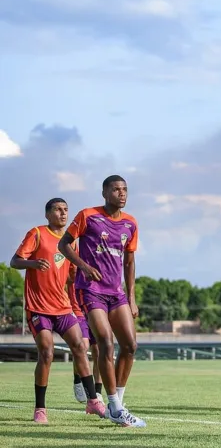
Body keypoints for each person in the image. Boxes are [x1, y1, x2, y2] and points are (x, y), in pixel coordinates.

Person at [58, 175, 146, 427]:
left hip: (116, 293)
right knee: (106, 344)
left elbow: (129, 262)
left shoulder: (131, 223)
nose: (121, 193)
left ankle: (117, 403)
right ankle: (115, 406)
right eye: (116, 189)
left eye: (125, 189)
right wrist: (83, 266)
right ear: (105, 193)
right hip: (90, 290)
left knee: (130, 346)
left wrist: (131, 297)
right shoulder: (88, 216)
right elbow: (65, 245)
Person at [10, 198, 106, 424]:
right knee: (47, 353)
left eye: (65, 210)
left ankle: (92, 401)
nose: (63, 214)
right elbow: (15, 261)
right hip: (38, 307)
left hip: (62, 307)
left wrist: (90, 275)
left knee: (80, 347)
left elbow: (72, 275)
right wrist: (33, 264)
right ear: (47, 214)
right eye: (57, 210)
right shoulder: (37, 233)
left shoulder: (70, 242)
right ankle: (40, 409)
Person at [68, 271, 103, 404]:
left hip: (96, 307)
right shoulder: (72, 254)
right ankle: (78, 379)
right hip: (77, 309)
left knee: (99, 350)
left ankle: (98, 392)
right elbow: (65, 276)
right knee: (82, 346)